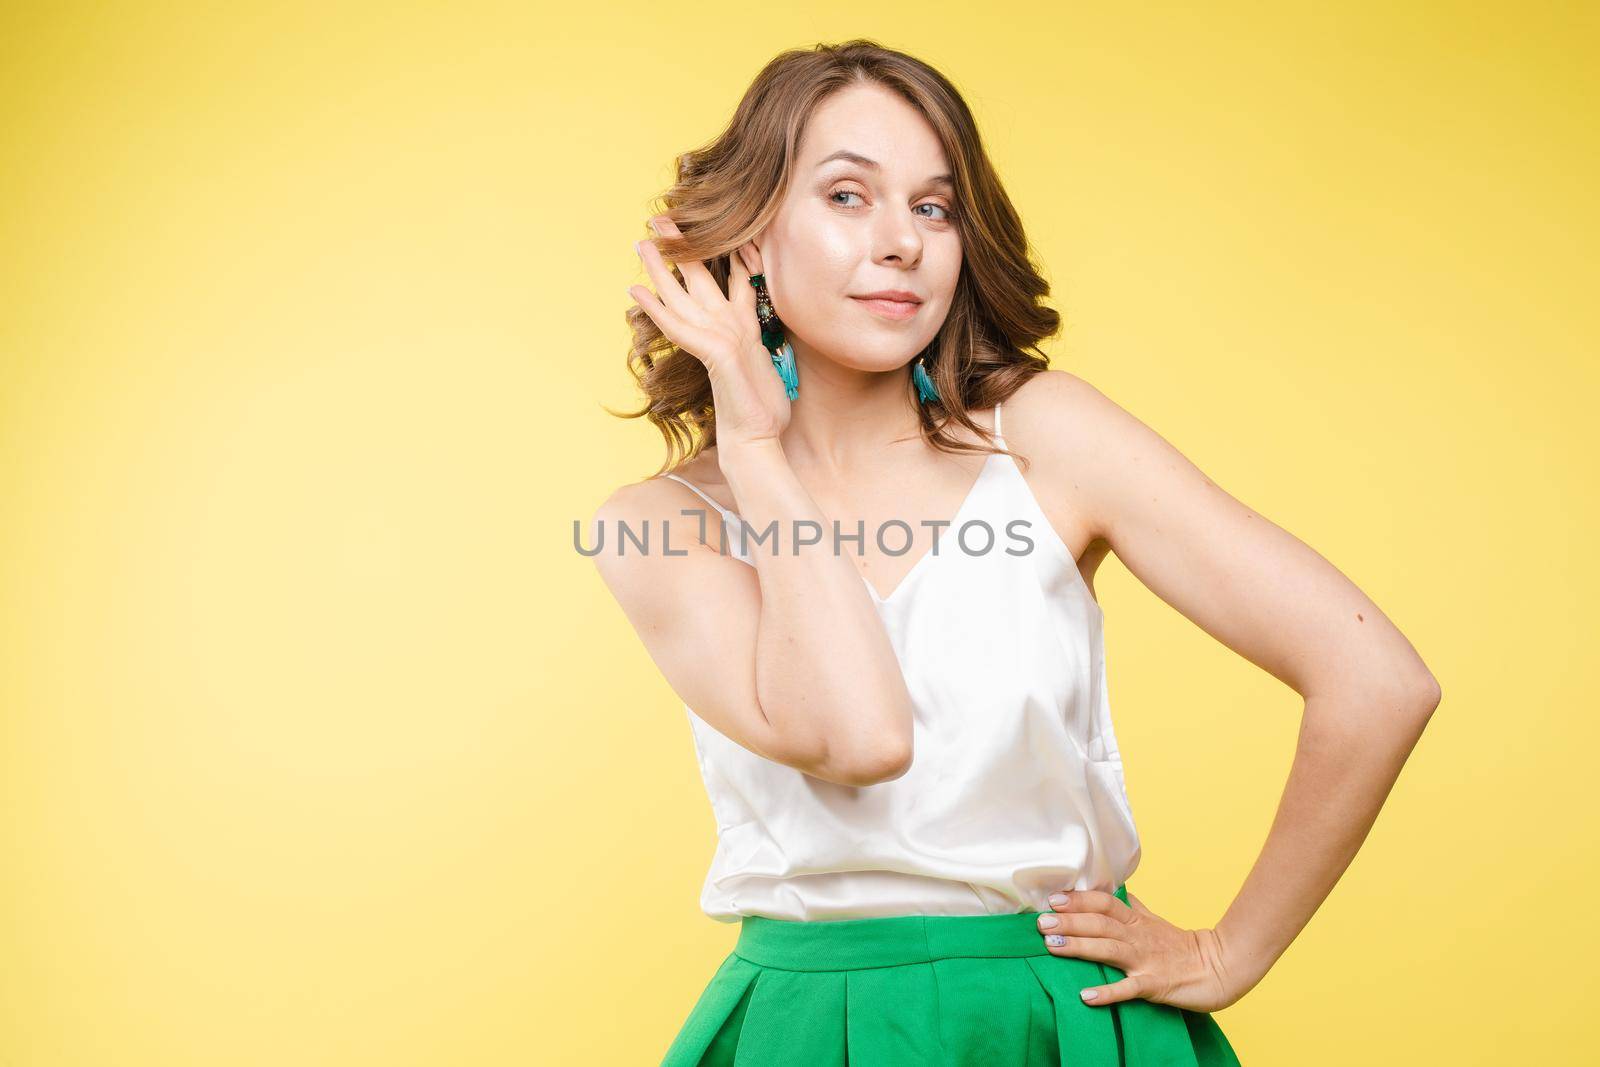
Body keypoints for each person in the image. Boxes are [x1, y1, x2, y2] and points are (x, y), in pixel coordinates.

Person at [590, 39, 1440, 1067]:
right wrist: (758, 449)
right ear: (754, 239)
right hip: (808, 1030)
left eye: (934, 207)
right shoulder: (661, 524)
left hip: (1057, 1021)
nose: (900, 240)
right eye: (848, 196)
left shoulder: (1045, 438)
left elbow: (1377, 678)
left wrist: (1228, 949)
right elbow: (863, 737)